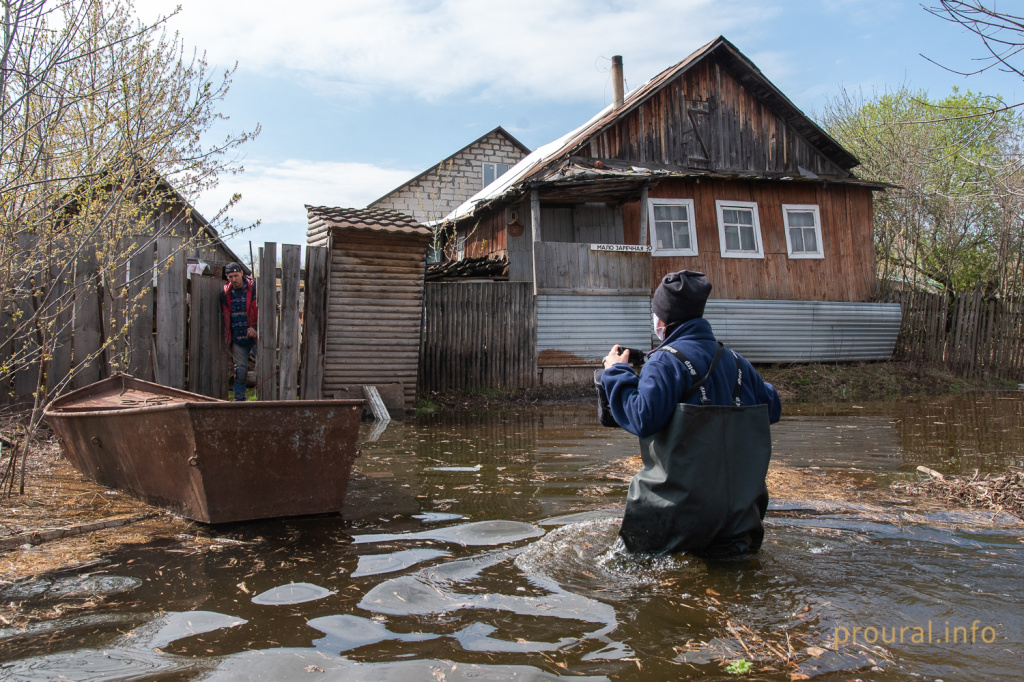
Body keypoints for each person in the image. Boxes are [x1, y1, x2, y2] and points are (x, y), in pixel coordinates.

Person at [600, 269, 781, 555]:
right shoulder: (739, 362)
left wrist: (616, 371)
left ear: (662, 320)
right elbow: (773, 407)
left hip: (677, 517)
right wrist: (739, 380)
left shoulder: (663, 363)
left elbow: (641, 417)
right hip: (739, 519)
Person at [220, 263, 258, 401]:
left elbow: (264, 311)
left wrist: (256, 327)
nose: (234, 279)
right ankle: (239, 402)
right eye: (231, 277)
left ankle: (264, 399)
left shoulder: (254, 289)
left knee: (263, 368)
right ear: (227, 277)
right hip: (237, 338)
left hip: (255, 337)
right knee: (240, 371)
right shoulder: (225, 293)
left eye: (236, 275)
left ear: (242, 273)